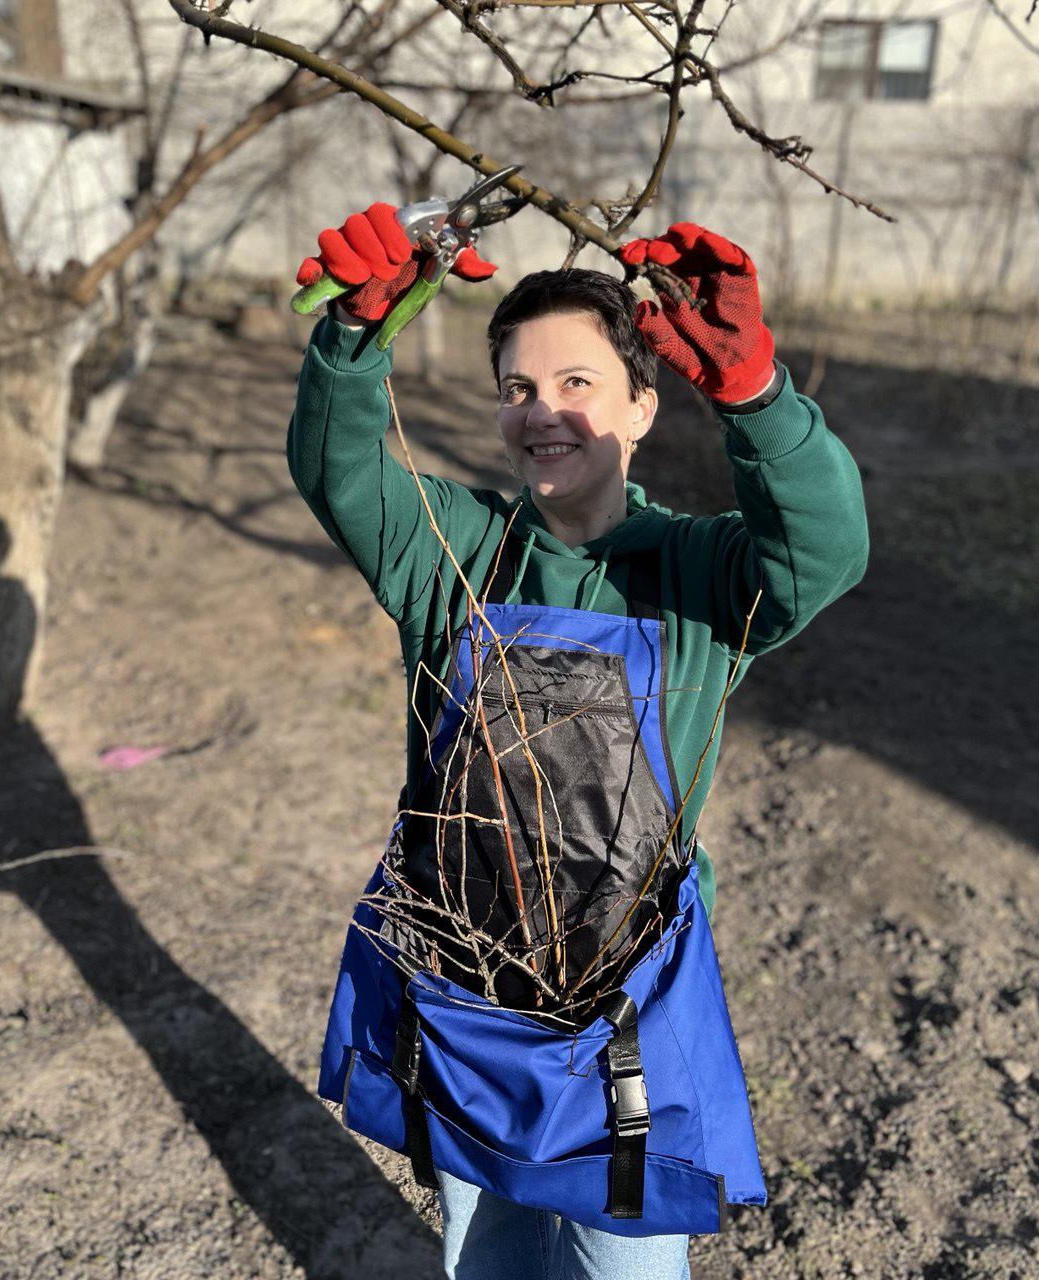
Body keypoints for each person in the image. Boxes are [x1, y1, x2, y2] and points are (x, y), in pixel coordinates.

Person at [287, 201, 869, 1280]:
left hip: (625, 1019)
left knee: (621, 1257)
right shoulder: (453, 552)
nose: (541, 412)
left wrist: (756, 397)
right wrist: (353, 340)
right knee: (487, 1249)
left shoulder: (696, 573)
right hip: (465, 993)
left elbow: (823, 550)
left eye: (576, 383)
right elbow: (339, 470)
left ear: (642, 405)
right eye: (517, 387)